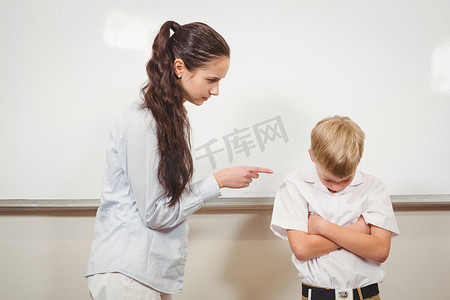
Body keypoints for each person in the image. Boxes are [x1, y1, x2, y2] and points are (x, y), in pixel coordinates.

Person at [86, 20, 273, 300]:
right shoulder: (144, 123)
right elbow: (155, 213)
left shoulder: (172, 121)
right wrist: (218, 181)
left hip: (146, 274)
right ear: (180, 68)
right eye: (212, 80)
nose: (216, 91)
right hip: (128, 273)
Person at [270, 116, 399, 300]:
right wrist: (357, 231)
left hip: (366, 295)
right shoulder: (295, 185)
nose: (336, 187)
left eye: (346, 179)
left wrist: (322, 226)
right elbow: (302, 249)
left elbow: (379, 251)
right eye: (328, 180)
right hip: (316, 295)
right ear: (312, 156)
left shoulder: (374, 187)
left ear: (359, 159)